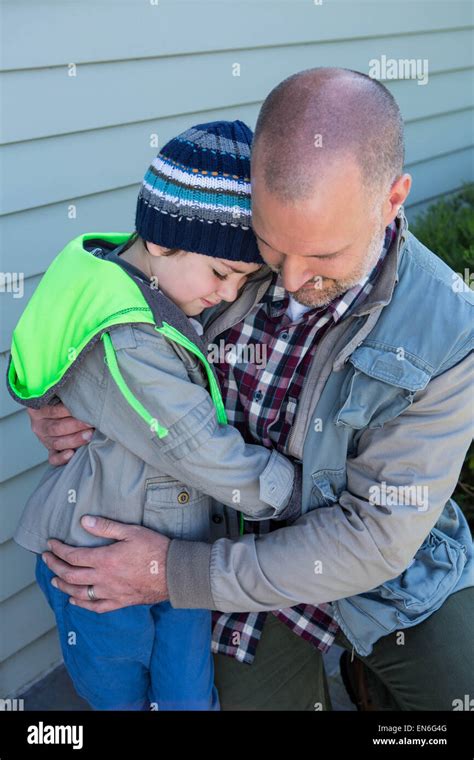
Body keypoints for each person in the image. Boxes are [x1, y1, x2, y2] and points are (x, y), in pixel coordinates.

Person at [26, 69, 473, 711]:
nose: (288, 279)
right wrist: (63, 402)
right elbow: (105, 314)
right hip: (223, 546)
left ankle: (368, 673)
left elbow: (374, 537)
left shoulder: (451, 331)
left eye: (323, 256)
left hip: (381, 574)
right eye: (270, 246)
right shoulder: (215, 243)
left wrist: (170, 572)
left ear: (392, 198)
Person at [8, 120, 303, 711]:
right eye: (223, 275)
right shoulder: (128, 337)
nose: (228, 294)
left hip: (177, 552)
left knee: (188, 695)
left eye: (245, 281)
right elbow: (195, 445)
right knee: (119, 693)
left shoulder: (170, 283)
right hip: (93, 561)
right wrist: (294, 490)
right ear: (164, 242)